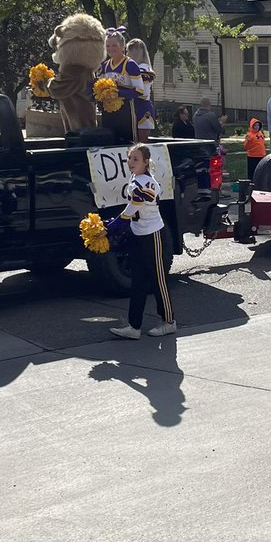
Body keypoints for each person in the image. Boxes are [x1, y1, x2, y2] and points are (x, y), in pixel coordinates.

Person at [109, 144, 177, 339]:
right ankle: (134, 326)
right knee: (138, 280)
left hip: (152, 234)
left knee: (158, 279)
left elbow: (134, 205)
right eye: (129, 158)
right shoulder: (135, 179)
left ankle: (169, 321)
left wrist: (116, 222)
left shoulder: (146, 183)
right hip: (138, 233)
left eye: (135, 159)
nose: (131, 162)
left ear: (146, 162)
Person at [96, 29, 146, 143]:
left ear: (122, 46)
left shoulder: (130, 64)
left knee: (127, 141)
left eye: (114, 45)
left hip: (126, 111)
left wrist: (119, 94)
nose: (111, 48)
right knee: (109, 139)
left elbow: (139, 90)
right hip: (108, 111)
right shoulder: (105, 65)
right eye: (108, 46)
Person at [126, 38, 157, 142]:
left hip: (142, 107)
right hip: (132, 106)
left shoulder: (144, 70)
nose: (126, 54)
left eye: (128, 51)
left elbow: (142, 92)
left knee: (141, 144)